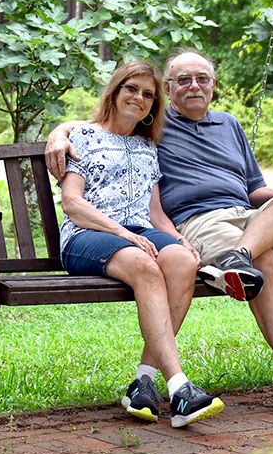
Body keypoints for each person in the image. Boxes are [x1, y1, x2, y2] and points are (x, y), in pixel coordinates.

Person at [47, 50, 273, 421]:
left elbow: (253, 189)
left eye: (202, 78)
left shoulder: (226, 126)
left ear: (214, 86)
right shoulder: (156, 127)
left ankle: (238, 257)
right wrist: (59, 132)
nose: (193, 86)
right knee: (263, 260)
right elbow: (103, 124)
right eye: (182, 80)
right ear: (169, 90)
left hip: (245, 219)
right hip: (199, 221)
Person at [58, 59, 225, 428]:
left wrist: (181, 240)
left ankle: (143, 381)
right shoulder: (83, 137)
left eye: (147, 94)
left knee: (181, 262)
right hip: (87, 236)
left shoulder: (147, 147)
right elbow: (73, 203)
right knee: (146, 266)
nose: (138, 97)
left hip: (138, 233)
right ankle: (180, 386)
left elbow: (155, 213)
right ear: (115, 92)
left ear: (153, 105)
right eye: (131, 89)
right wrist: (124, 234)